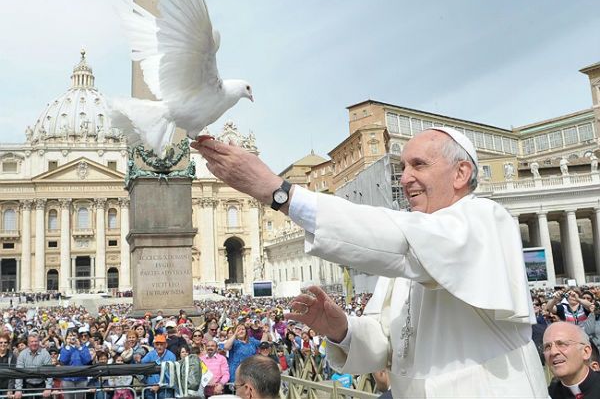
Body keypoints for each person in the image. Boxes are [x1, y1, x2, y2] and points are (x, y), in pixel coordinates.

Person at [192, 128, 548, 397]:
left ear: (461, 173)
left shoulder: (485, 218)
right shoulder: (409, 260)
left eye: (419, 165)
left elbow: (397, 237)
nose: (405, 177)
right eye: (403, 166)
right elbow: (384, 345)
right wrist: (341, 329)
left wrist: (278, 191)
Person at [544, 322, 600, 398]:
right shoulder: (547, 395)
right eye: (547, 346)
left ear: (585, 352)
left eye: (561, 344)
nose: (553, 352)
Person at [14, 334, 53, 398]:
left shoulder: (45, 354)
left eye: (36, 341)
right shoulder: (22, 354)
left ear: (39, 342)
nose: (34, 343)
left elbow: (49, 372)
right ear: (28, 343)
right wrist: (18, 389)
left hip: (42, 385)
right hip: (27, 385)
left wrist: (48, 387)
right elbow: (19, 372)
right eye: (32, 341)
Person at [140, 334, 176, 399]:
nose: (159, 347)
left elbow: (171, 376)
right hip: (150, 390)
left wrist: (159, 385)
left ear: (166, 345)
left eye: (161, 344)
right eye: (157, 344)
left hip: (165, 391)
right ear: (154, 345)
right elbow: (142, 365)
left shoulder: (171, 356)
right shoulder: (150, 354)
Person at [59, 329, 92, 399]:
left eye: (74, 335)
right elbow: (63, 361)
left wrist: (79, 348)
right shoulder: (64, 348)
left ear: (78, 337)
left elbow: (87, 360)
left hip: (81, 379)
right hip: (68, 379)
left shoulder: (83, 347)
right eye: (70, 336)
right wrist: (68, 347)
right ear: (67, 338)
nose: (72, 338)